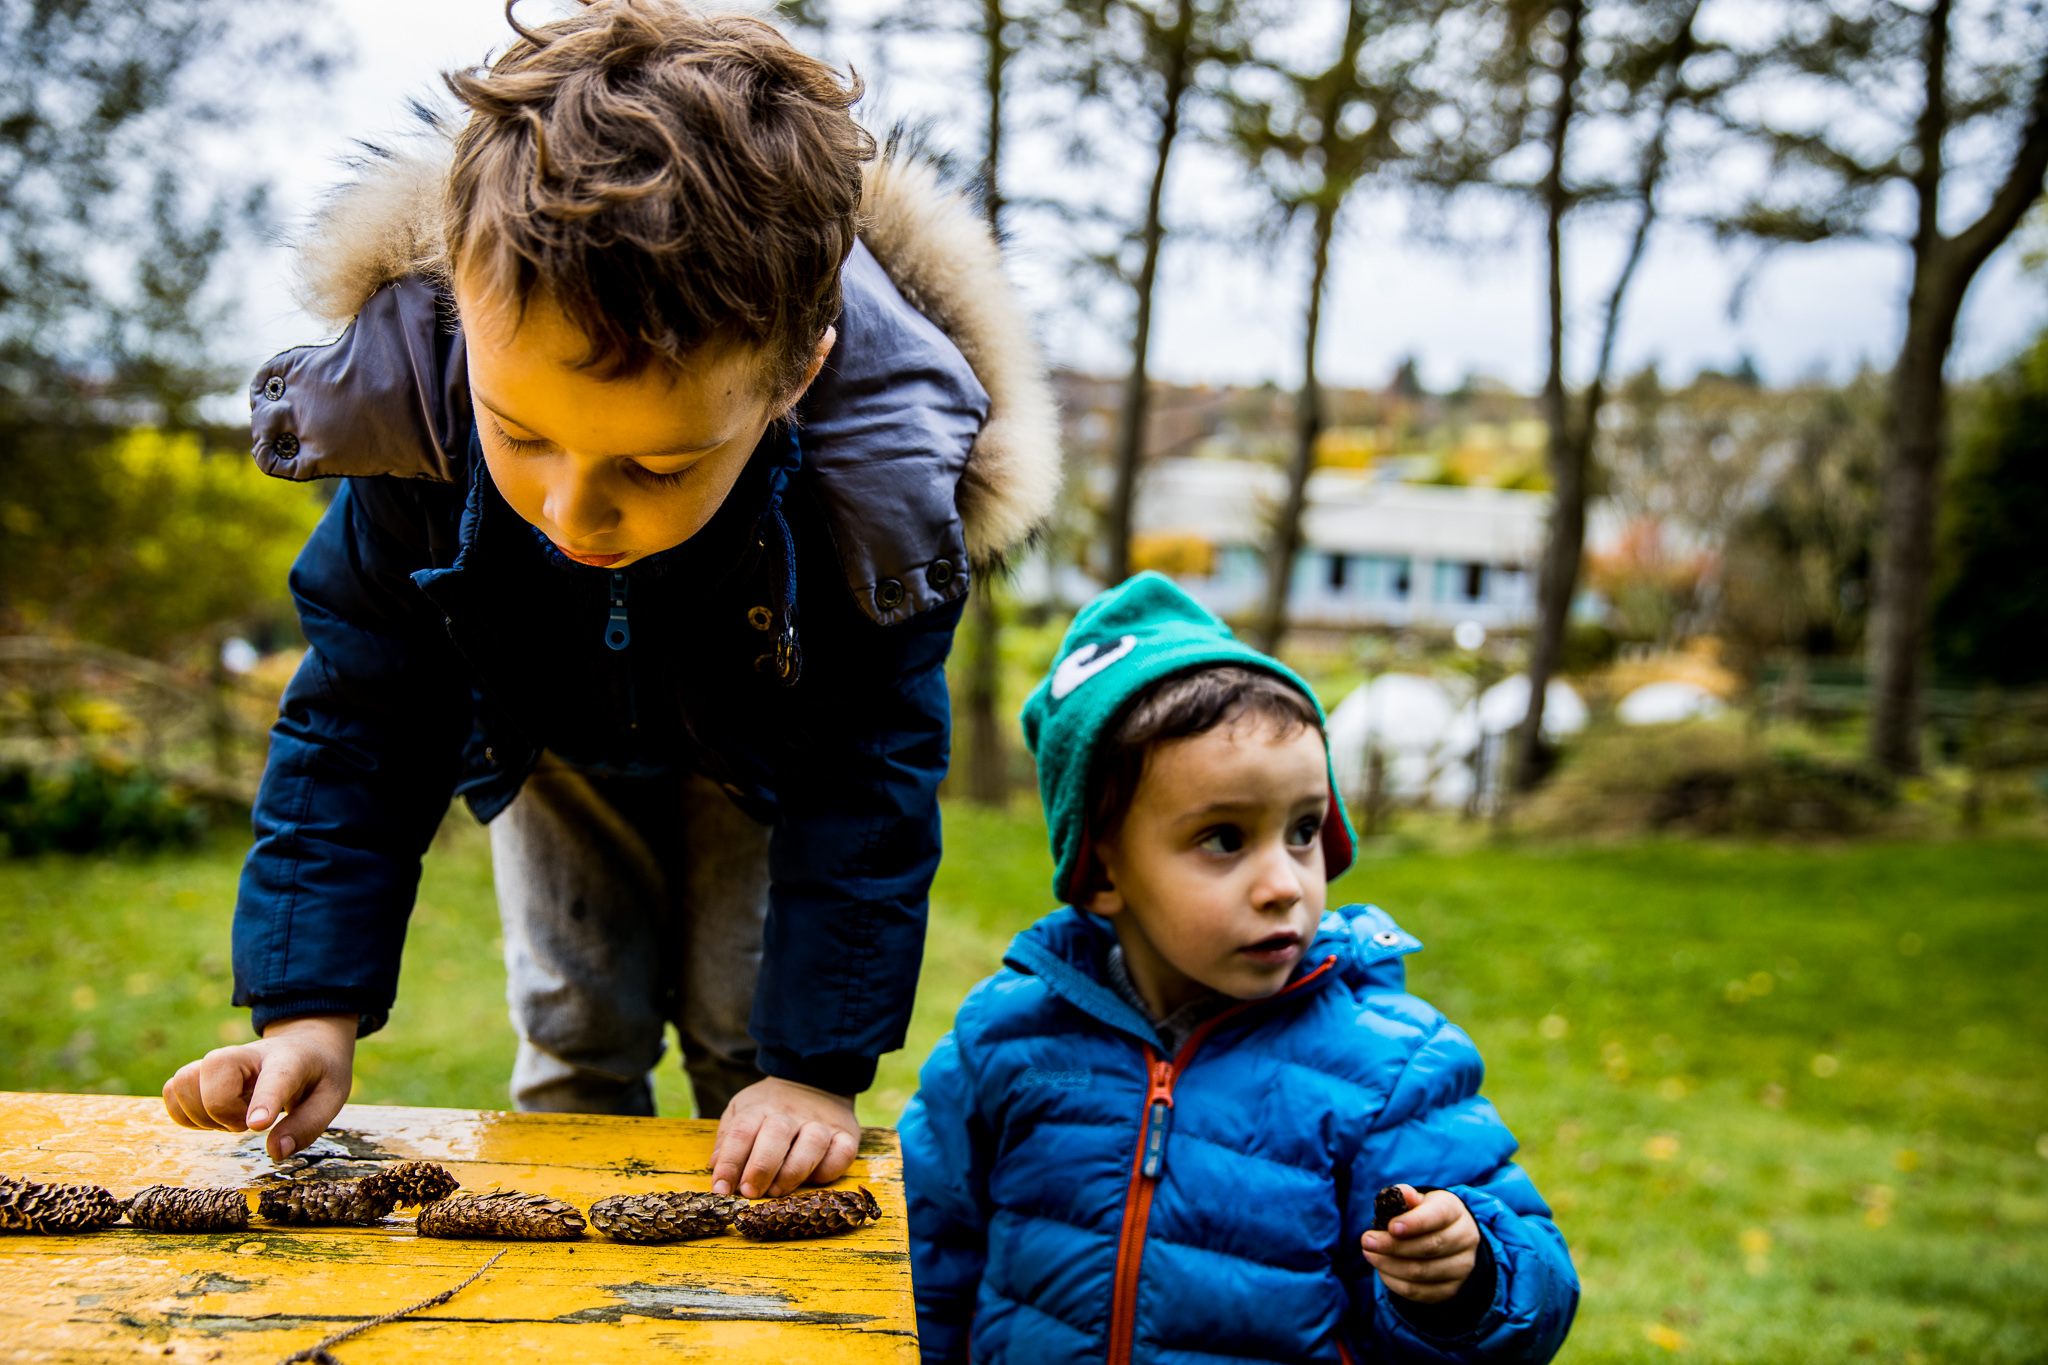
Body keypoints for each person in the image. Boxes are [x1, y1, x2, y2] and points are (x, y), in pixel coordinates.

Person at [159, 0, 1059, 1201]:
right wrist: (310, 1008)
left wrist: (815, 1071)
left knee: (749, 1040)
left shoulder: (880, 498)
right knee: (579, 1025)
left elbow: (870, 779)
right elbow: (358, 723)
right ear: (458, 311)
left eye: (656, 465)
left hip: (770, 756)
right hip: (545, 740)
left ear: (797, 372)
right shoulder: (412, 429)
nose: (574, 514)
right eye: (521, 436)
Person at [900, 573, 1578, 1364]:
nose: (1285, 882)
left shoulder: (1386, 1067)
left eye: (1303, 830)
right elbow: (925, 1258)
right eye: (1224, 838)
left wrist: (1467, 1276)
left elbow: (1536, 1296)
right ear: (1102, 870)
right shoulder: (1005, 1043)